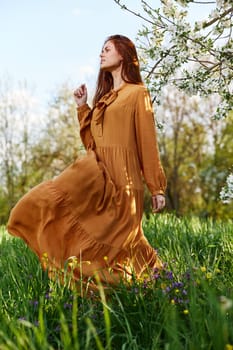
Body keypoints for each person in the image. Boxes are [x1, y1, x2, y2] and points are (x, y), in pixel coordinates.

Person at [7, 34, 166, 293]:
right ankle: (151, 289)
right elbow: (93, 144)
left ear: (123, 55)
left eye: (107, 49)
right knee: (40, 203)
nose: (101, 54)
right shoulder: (104, 100)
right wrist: (83, 108)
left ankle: (143, 297)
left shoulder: (138, 94)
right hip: (100, 180)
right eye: (101, 50)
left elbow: (148, 143)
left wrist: (156, 186)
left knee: (116, 249)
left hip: (125, 184)